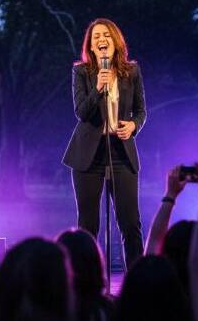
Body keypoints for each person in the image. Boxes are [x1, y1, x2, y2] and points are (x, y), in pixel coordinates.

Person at [63, 18, 147, 269]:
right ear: (90, 46)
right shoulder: (81, 71)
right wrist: (98, 87)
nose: (101, 40)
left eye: (106, 35)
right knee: (88, 226)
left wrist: (133, 126)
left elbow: (141, 110)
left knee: (130, 223)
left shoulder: (132, 71)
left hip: (121, 152)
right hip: (88, 154)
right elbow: (81, 112)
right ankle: (86, 282)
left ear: (115, 41)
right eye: (96, 36)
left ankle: (137, 280)